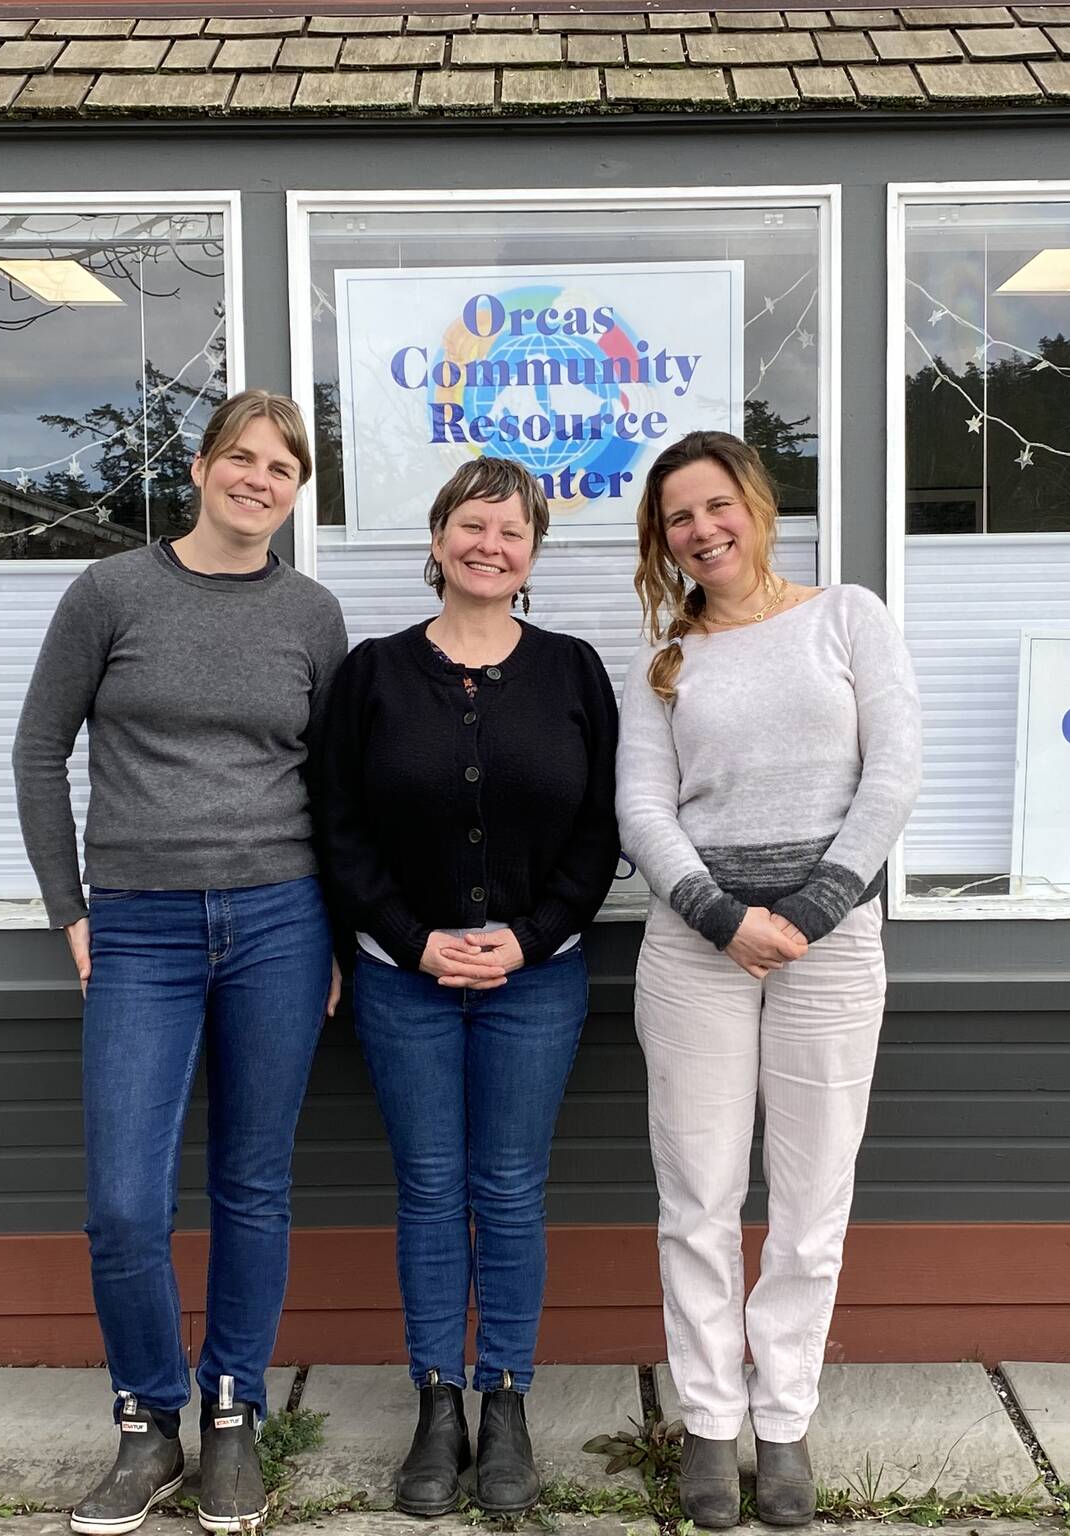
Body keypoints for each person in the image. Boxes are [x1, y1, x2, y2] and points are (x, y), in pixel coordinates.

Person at [12, 390, 348, 1536]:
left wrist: (336, 930)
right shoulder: (110, 592)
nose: (259, 480)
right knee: (123, 1204)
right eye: (241, 458)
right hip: (140, 927)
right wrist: (68, 908)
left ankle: (233, 1412)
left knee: (252, 1183)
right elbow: (38, 749)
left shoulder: (310, 614)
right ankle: (147, 1421)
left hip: (279, 922)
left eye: (282, 468)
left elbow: (334, 786)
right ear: (200, 469)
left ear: (296, 493)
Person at [615, 431, 923, 1529]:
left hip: (828, 952)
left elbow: (893, 771)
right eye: (678, 519)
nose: (702, 531)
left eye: (716, 506)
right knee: (697, 1198)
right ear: (663, 540)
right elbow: (641, 808)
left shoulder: (848, 617)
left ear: (755, 504)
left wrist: (811, 910)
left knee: (809, 1200)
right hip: (692, 955)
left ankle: (783, 1420)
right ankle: (708, 1422)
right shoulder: (665, 659)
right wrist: (720, 917)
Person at [317, 457, 620, 1517]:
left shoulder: (573, 671)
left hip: (537, 983)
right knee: (431, 1189)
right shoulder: (372, 675)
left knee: (510, 1190)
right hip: (403, 983)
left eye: (512, 531)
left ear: (532, 555)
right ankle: (435, 1403)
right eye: (472, 525)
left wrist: (528, 939)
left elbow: (600, 832)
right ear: (438, 538)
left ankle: (505, 1402)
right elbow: (338, 829)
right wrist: (411, 938)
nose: (490, 545)